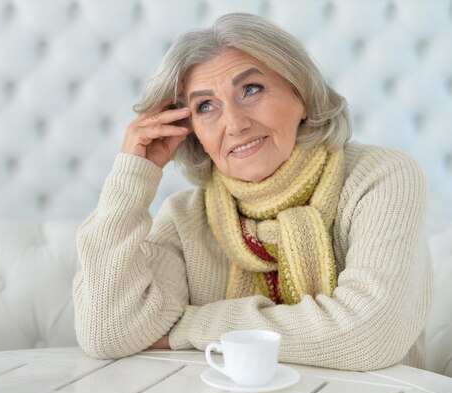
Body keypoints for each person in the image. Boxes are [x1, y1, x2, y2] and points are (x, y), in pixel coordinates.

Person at [72, 12, 432, 371]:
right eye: (206, 107)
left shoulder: (382, 178)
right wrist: (134, 174)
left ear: (301, 94)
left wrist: (189, 326)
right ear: (191, 128)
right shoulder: (186, 217)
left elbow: (368, 336)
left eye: (251, 89)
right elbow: (107, 332)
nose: (235, 123)